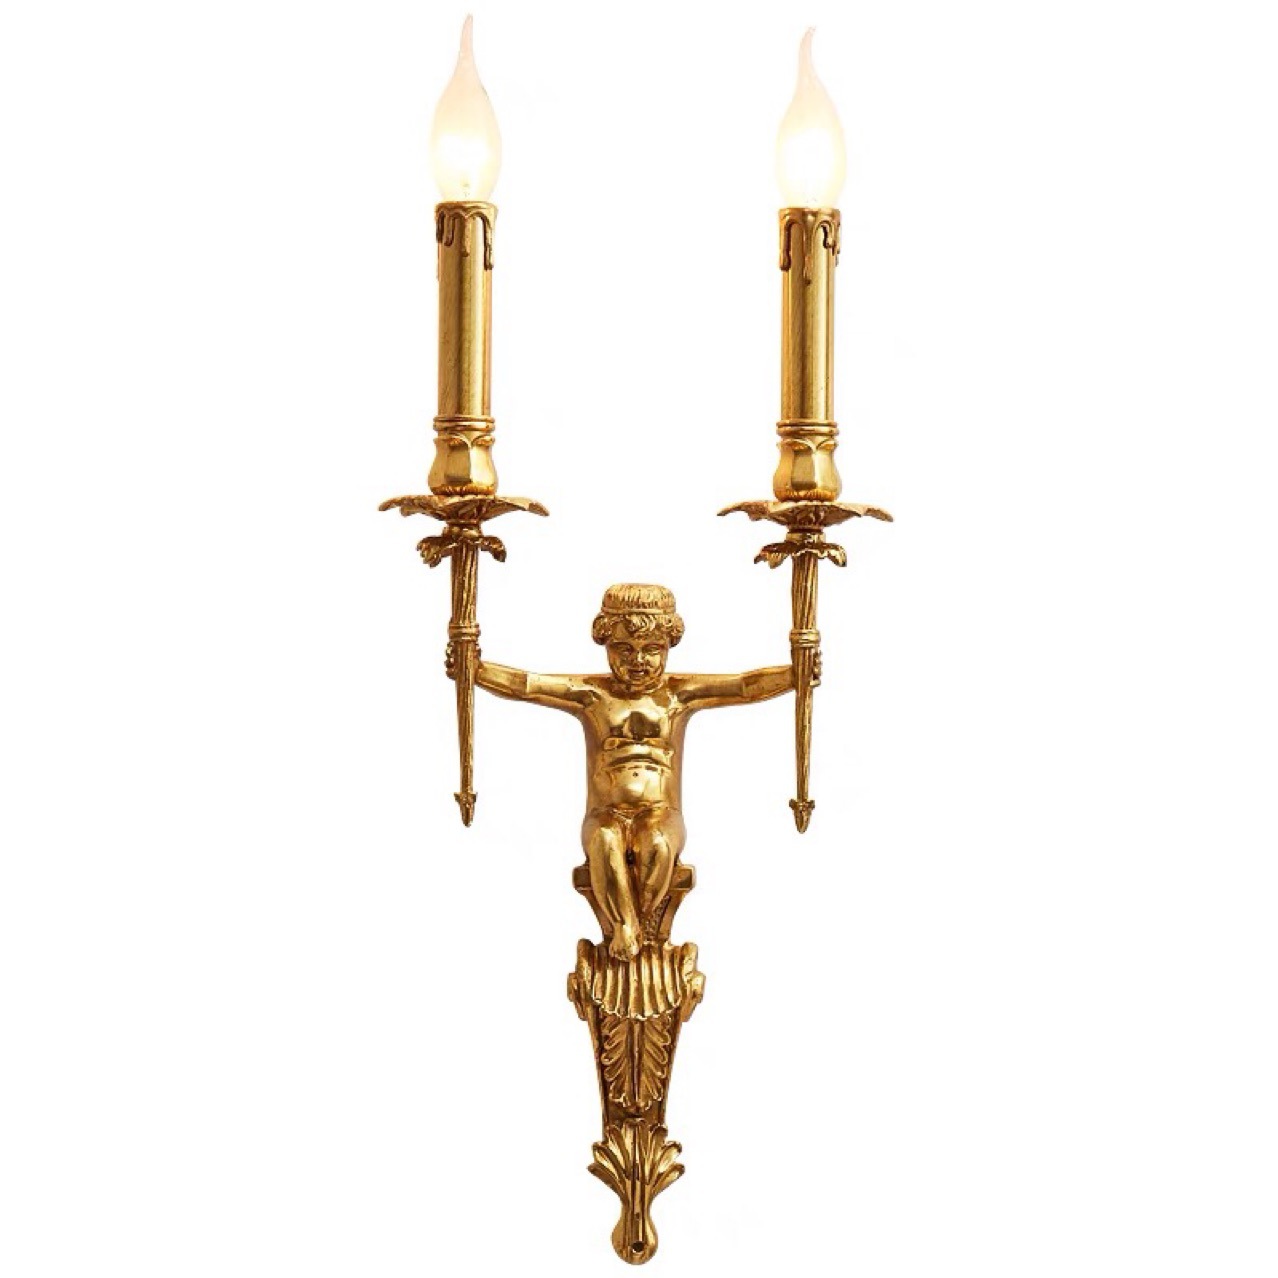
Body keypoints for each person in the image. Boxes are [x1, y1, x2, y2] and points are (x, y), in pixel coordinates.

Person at [453, 584, 796, 960]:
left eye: (652, 649)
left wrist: (796, 673)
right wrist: (476, 669)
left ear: (668, 645)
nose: (639, 660)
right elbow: (528, 685)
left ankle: (639, 932)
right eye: (624, 649)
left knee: (656, 843)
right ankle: (625, 928)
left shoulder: (679, 694)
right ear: (605, 644)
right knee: (604, 840)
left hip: (661, 812)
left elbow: (744, 686)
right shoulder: (592, 695)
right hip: (606, 812)